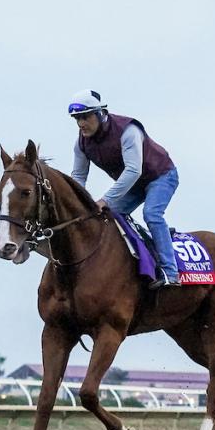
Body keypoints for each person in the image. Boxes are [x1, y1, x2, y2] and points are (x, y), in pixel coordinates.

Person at [68, 89, 181, 288]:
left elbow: (133, 170)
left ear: (100, 114)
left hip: (161, 176)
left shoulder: (128, 130)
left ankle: (170, 273)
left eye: (85, 117)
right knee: (107, 217)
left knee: (152, 214)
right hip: (135, 185)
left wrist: (105, 199)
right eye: (77, 119)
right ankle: (143, 253)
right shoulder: (81, 143)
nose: (81, 124)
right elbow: (78, 177)